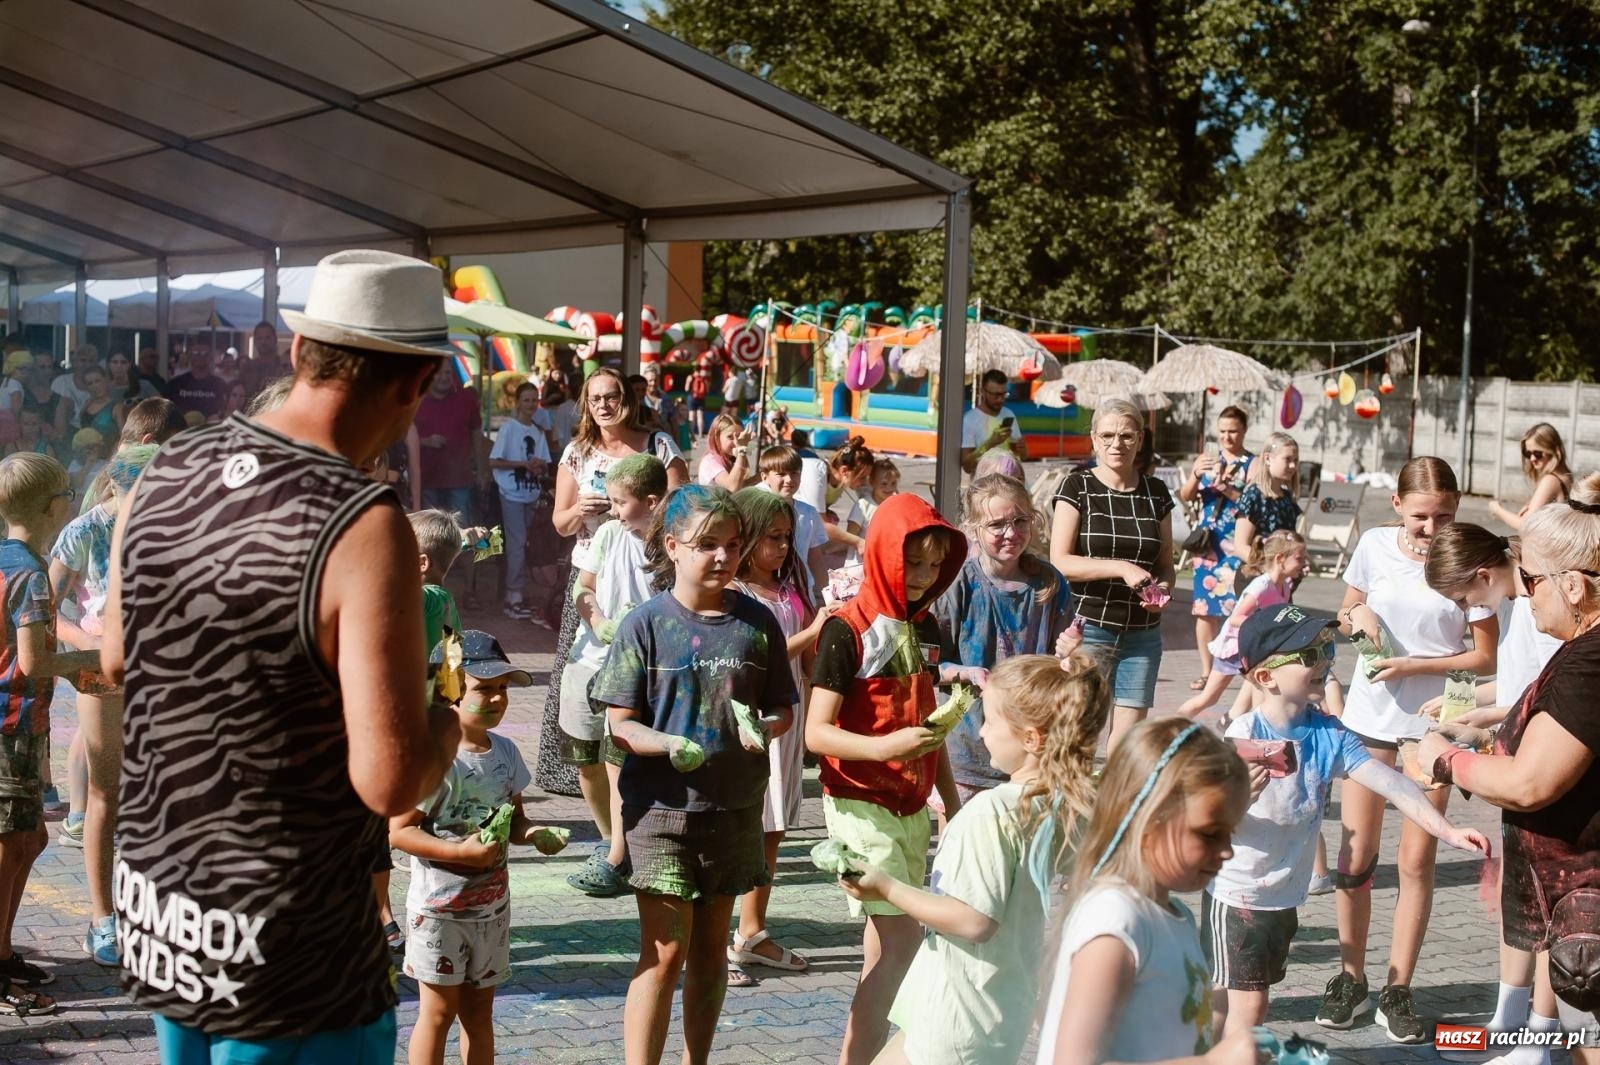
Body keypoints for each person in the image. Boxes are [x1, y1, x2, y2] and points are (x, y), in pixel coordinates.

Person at [101, 249, 463, 1060]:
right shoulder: (362, 522)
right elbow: (390, 780)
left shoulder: (163, 469)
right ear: (418, 381)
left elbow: (119, 659)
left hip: (166, 910)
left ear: (298, 350)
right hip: (290, 948)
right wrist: (445, 726)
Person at [1206, 605, 1489, 1040]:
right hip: (1237, 893)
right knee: (1249, 1005)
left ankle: (1206, 1045)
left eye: (1326, 649)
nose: (1324, 660)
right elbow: (1210, 814)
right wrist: (1241, 797)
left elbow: (1394, 784)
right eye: (1308, 655)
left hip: (1283, 897)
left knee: (1230, 997)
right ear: (1265, 677)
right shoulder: (1243, 737)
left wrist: (1445, 829)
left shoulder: (1330, 734)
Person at [590, 484, 797, 1065]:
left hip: (734, 811)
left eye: (732, 544)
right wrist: (666, 743)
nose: (723, 557)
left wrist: (767, 727)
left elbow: (782, 706)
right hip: (660, 814)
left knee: (710, 951)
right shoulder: (646, 624)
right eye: (707, 544)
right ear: (673, 546)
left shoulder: (757, 622)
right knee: (663, 952)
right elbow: (620, 725)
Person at [838, 651, 1103, 1065]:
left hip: (957, 1020)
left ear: (1031, 739)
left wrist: (884, 886)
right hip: (996, 1008)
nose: (980, 732)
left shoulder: (992, 812)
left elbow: (972, 920)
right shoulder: (1059, 803)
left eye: (992, 721)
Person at [1418, 475, 1600, 1056]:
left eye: (1533, 578)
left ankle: (1534, 1036)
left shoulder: (1585, 658)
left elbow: (1530, 782)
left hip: (1581, 893)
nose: (1526, 591)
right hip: (1566, 891)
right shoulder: (1576, 646)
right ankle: (1520, 1025)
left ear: (1573, 586)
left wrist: (1447, 759)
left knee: (1587, 1031)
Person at [1319, 456, 1499, 1042]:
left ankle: (1399, 988)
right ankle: (1351, 977)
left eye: (1444, 516)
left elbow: (1485, 657)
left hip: (1435, 722)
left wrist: (1415, 666)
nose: (1431, 528)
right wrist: (1359, 614)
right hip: (1370, 718)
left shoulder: (1467, 556)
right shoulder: (1374, 545)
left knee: (1417, 861)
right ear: (1397, 506)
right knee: (1356, 857)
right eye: (1421, 516)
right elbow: (1344, 613)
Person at [804, 493, 965, 1065]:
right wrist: (882, 748)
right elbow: (816, 734)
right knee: (906, 943)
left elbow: (930, 728)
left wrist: (951, 803)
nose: (922, 576)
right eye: (912, 561)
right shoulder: (846, 630)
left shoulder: (927, 627)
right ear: (881, 554)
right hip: (859, 803)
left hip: (912, 805)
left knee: (883, 949)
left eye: (934, 565)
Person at [1035, 716, 1256, 1065]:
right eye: (1210, 833)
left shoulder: (1174, 915)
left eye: (1231, 832)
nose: (1227, 850)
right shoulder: (1115, 920)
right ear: (1147, 819)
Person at [392, 630, 563, 1065]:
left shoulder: (505, 753)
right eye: (484, 688)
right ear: (447, 691)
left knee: (479, 1015)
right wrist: (460, 854)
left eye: (503, 688)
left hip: (492, 911)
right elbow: (399, 831)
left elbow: (515, 819)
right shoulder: (434, 758)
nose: (498, 698)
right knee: (438, 1014)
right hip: (438, 912)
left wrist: (534, 834)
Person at [535, 367, 687, 797]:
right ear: (586, 404)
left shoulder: (658, 444)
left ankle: (644, 769)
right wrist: (581, 510)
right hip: (591, 575)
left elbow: (682, 507)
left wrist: (639, 512)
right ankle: (579, 774)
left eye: (612, 396)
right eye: (595, 398)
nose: (604, 405)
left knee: (645, 676)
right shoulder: (577, 451)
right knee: (581, 674)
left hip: (650, 572)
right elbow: (560, 523)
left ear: (628, 399)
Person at [48, 444, 155, 966]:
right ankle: (102, 918)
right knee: (105, 793)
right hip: (101, 675)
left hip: (161, 674)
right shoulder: (85, 530)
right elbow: (45, 609)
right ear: (117, 487)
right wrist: (84, 638)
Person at [0, 453, 100, 1015]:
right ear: (53, 508)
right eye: (66, 494)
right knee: (13, 841)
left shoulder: (9, 559)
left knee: (31, 838)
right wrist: (89, 661)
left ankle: (4, 949)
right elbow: (34, 662)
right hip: (11, 723)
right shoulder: (31, 574)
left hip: (18, 723)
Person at [726, 487, 833, 986]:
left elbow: (808, 663)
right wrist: (812, 632)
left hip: (788, 724)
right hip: (751, 724)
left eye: (788, 537)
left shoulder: (790, 590)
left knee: (773, 829)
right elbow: (756, 658)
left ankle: (752, 931)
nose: (783, 547)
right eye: (772, 537)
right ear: (747, 538)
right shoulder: (735, 595)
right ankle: (716, 939)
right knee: (742, 827)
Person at [562, 454, 666, 899]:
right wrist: (599, 621)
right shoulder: (608, 533)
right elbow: (583, 587)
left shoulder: (671, 545)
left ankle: (620, 854)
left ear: (652, 502)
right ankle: (609, 840)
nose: (614, 510)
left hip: (634, 671)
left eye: (621, 502)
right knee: (585, 756)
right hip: (588, 659)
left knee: (618, 760)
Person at [934, 474, 1073, 806]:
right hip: (967, 749)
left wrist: (1070, 654)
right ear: (973, 529)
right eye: (996, 525)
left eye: (1020, 521)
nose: (1011, 533)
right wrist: (967, 673)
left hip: (1031, 750)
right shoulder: (957, 583)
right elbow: (928, 666)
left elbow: (1062, 667)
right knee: (960, 835)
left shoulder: (1049, 583)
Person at [1049, 398, 1175, 755]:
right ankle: (1068, 790)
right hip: (1088, 627)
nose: (1116, 444)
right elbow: (1060, 561)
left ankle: (1110, 792)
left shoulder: (1156, 492)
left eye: (1126, 436)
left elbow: (1166, 564)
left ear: (1140, 439)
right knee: (1078, 731)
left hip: (1143, 633)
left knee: (1128, 741)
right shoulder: (1077, 487)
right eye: (1107, 435)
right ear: (1093, 438)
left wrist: (1163, 589)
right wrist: (1121, 567)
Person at [1178, 531, 1308, 721]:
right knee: (1208, 698)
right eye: (1299, 558)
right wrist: (1266, 626)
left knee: (1263, 694)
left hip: (1254, 649)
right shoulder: (1261, 586)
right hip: (1234, 648)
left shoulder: (1284, 586)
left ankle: (1255, 731)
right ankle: (1170, 726)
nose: (1304, 564)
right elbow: (1235, 618)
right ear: (1280, 559)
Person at [1177, 405, 1252, 692]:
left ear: (1244, 431)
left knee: (1241, 610)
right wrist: (1196, 475)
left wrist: (1227, 490)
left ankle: (1243, 668)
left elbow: (1255, 502)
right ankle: (1207, 671)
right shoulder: (1208, 460)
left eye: (1233, 431)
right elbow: (1185, 496)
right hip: (1208, 545)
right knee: (1204, 610)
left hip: (1238, 542)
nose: (1227, 437)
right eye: (1222, 431)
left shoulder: (1252, 464)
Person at [488, 381, 552, 622]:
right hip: (510, 493)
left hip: (531, 494)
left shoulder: (538, 431)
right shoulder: (509, 429)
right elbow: (494, 461)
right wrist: (522, 464)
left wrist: (537, 466)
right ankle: (513, 596)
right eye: (526, 400)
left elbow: (545, 463)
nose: (531, 404)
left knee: (525, 544)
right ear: (517, 403)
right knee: (517, 543)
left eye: (534, 400)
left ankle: (515, 594)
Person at [414, 369, 486, 523]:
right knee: (431, 529)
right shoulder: (417, 400)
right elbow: (401, 438)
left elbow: (477, 435)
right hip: (427, 478)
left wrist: (481, 471)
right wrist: (425, 441)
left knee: (461, 529)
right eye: (439, 373)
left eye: (447, 373)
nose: (444, 377)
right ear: (430, 374)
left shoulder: (466, 399)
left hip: (460, 480)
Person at [756, 445, 828, 597]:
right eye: (781, 474)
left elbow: (815, 557)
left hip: (801, 591)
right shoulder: (756, 511)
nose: (789, 479)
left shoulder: (809, 512)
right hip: (765, 591)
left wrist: (825, 594)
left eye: (794, 473)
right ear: (764, 476)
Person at [1490, 422, 1574, 532]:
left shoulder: (1551, 481)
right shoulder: (1566, 475)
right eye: (1528, 454)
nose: (1532, 459)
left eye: (1538, 453)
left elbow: (1524, 524)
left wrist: (1497, 509)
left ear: (1552, 450)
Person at [1231, 431, 1301, 551]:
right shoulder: (1253, 496)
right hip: (1258, 562)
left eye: (1295, 460)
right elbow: (1241, 547)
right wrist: (1268, 564)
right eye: (1287, 459)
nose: (1293, 466)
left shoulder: (1287, 498)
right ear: (1268, 459)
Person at [960, 369, 1025, 474]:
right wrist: (990, 443)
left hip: (1010, 479)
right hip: (986, 481)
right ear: (982, 392)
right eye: (995, 395)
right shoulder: (970, 419)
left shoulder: (1008, 414)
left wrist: (1022, 449)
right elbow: (967, 467)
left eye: (1004, 394)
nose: (1000, 399)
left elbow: (1022, 456)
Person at [162, 344, 227, 424]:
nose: (200, 357)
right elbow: (164, 409)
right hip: (182, 429)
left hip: (211, 429)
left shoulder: (220, 384)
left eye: (205, 354)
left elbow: (225, 409)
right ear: (190, 357)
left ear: (210, 358)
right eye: (196, 353)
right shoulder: (175, 384)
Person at [846, 458, 900, 538]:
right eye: (884, 483)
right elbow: (850, 536)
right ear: (872, 482)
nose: (889, 488)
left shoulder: (897, 506)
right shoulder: (862, 506)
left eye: (893, 483)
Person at [698, 411, 752, 491]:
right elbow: (732, 488)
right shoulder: (710, 461)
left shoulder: (731, 458)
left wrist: (763, 475)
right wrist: (741, 451)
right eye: (730, 437)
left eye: (739, 436)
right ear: (717, 437)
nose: (736, 442)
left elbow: (741, 485)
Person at [73, 366, 124, 443]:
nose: (95, 386)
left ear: (105, 380)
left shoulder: (117, 407)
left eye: (97, 381)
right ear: (86, 387)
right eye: (90, 383)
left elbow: (123, 436)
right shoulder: (87, 404)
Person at [51, 344, 100, 421]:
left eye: (91, 361)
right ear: (74, 363)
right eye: (83, 360)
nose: (87, 364)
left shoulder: (100, 387)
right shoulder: (60, 382)